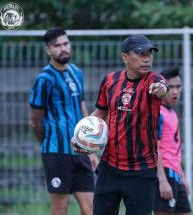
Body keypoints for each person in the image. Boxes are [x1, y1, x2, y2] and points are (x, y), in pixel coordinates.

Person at [72, 34, 169, 215]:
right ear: (125, 57)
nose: (147, 59)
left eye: (150, 54)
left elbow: (162, 88)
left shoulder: (154, 81)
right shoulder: (110, 81)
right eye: (141, 54)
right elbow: (100, 113)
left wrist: (162, 90)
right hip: (109, 169)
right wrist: (80, 134)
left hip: (142, 171)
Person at [29, 27, 98, 215]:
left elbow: (82, 108)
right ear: (48, 50)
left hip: (80, 151)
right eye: (57, 46)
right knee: (61, 208)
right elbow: (35, 121)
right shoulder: (44, 79)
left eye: (65, 43)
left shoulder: (77, 72)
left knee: (91, 209)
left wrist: (90, 148)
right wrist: (47, 142)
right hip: (56, 152)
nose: (63, 48)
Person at [154, 66, 192, 215]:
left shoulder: (172, 113)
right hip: (165, 174)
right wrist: (162, 180)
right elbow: (154, 149)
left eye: (178, 87)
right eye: (171, 87)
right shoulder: (158, 113)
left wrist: (182, 176)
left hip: (175, 174)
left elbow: (173, 149)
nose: (175, 91)